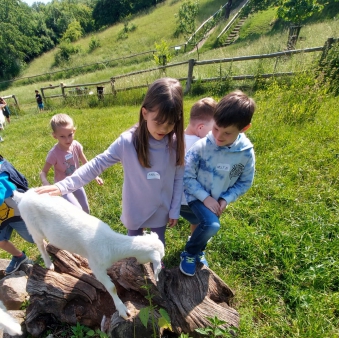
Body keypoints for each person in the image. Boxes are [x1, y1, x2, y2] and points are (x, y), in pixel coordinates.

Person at [35, 78, 185, 247]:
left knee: (158, 245)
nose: (164, 129)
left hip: (161, 209)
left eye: (171, 123)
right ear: (145, 113)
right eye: (159, 122)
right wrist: (63, 186)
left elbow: (179, 177)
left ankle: (157, 269)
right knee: (133, 245)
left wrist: (174, 209)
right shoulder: (127, 142)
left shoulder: (175, 143)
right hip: (135, 209)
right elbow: (97, 163)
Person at [180, 90, 256, 276]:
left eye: (227, 133)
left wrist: (226, 198)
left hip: (218, 199)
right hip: (196, 195)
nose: (218, 137)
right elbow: (187, 177)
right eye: (215, 128)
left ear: (244, 128)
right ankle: (189, 253)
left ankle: (199, 249)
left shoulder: (246, 154)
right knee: (212, 225)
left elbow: (244, 181)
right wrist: (205, 198)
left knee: (203, 225)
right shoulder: (201, 147)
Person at [40, 114, 103, 214]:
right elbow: (43, 172)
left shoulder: (76, 146)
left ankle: (86, 227)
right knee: (77, 210)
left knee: (85, 208)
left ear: (74, 131)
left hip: (77, 181)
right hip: (63, 186)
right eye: (62, 136)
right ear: (55, 136)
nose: (68, 139)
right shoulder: (54, 154)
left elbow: (86, 163)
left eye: (70, 135)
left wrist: (95, 176)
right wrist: (45, 183)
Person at [180, 97, 217, 239]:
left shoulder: (175, 138)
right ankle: (194, 243)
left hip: (174, 199)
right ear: (201, 127)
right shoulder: (204, 145)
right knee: (199, 222)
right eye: (214, 129)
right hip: (195, 199)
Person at [0, 155, 34, 275]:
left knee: (33, 237)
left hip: (17, 213)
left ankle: (53, 251)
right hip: (2, 217)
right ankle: (19, 256)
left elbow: (5, 190)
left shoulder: (1, 171)